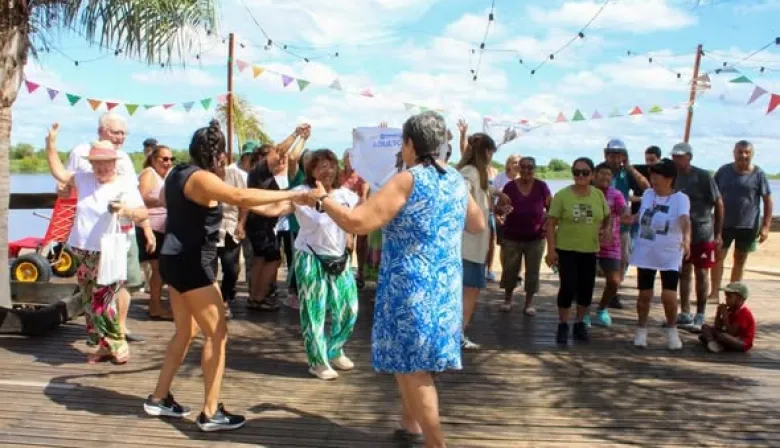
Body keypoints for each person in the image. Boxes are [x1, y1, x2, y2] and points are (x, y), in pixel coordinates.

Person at [309, 111, 485, 448]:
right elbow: (476, 225)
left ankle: (437, 444)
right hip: (445, 286)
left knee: (414, 367)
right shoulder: (455, 180)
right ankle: (410, 424)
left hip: (411, 287)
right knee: (410, 361)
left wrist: (323, 201)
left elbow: (358, 222)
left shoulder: (408, 179)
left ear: (409, 144)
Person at [143, 120, 307, 432]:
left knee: (185, 331)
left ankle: (159, 397)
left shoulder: (177, 173)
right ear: (217, 155)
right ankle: (210, 412)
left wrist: (288, 204)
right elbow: (240, 197)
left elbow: (170, 203)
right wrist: (296, 195)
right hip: (193, 266)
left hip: (173, 261)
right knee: (217, 336)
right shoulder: (202, 178)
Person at [45, 124, 152, 364]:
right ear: (91, 163)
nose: (102, 167)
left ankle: (117, 342)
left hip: (110, 251)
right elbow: (59, 173)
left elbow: (143, 212)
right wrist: (50, 144)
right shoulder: (84, 178)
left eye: (106, 163)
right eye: (97, 163)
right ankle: (104, 346)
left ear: (115, 163)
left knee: (102, 300)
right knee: (88, 298)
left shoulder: (125, 183)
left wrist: (125, 210)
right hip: (82, 249)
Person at [256, 149, 360, 380]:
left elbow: (354, 223)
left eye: (331, 165)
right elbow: (277, 208)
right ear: (311, 170)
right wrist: (248, 204)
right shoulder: (301, 193)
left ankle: (334, 349)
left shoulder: (346, 195)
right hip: (311, 256)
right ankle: (318, 361)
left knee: (349, 310)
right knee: (314, 312)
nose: (328, 170)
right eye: (321, 165)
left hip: (339, 259)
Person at [63, 111, 147, 343]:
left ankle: (118, 331)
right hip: (89, 241)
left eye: (124, 133)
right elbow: (64, 184)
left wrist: (144, 225)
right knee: (95, 292)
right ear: (101, 130)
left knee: (123, 283)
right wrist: (51, 146)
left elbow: (137, 201)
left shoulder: (125, 160)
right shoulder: (80, 153)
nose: (121, 137)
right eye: (116, 132)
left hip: (122, 235)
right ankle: (105, 336)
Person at [546, 157, 610, 345]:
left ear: (592, 175)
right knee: (568, 287)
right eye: (576, 172)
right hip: (566, 249)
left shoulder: (598, 195)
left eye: (585, 172)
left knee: (586, 289)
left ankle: (580, 323)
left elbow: (607, 216)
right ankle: (563, 324)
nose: (580, 176)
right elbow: (551, 224)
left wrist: (606, 229)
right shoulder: (562, 195)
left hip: (589, 249)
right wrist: (551, 250)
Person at [245, 125, 309, 311]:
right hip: (261, 223)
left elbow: (291, 157)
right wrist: (295, 134)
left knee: (260, 259)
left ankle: (254, 296)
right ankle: (259, 297)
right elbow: (281, 151)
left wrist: (303, 139)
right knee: (273, 259)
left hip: (260, 223)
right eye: (275, 158)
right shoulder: (259, 171)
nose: (279, 160)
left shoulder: (263, 175)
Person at [629, 159, 690, 349]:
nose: (653, 180)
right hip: (646, 250)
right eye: (652, 176)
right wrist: (626, 219)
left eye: (658, 176)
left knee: (669, 295)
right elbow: (640, 217)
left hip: (669, 252)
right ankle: (641, 330)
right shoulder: (648, 195)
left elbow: (685, 219)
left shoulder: (680, 198)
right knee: (644, 293)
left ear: (670, 178)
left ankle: (672, 331)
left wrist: (687, 238)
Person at [710, 140, 772, 298]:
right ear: (734, 153)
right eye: (740, 152)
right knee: (718, 257)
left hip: (748, 225)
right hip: (724, 223)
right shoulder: (723, 171)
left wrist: (766, 226)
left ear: (752, 154)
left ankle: (733, 294)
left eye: (747, 152)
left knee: (740, 259)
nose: (743, 156)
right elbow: (711, 196)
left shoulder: (758, 174)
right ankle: (714, 293)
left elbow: (767, 200)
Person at [671, 142, 723, 331]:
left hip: (702, 231)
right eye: (674, 156)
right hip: (681, 232)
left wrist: (718, 233)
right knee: (684, 272)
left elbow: (719, 203)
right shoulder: (673, 176)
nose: (677, 160)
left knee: (702, 273)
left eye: (680, 156)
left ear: (689, 157)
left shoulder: (703, 176)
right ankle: (685, 312)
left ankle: (700, 314)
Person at [457, 132, 498, 350]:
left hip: (474, 246)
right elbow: (462, 194)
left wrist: (497, 192)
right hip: (468, 245)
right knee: (470, 289)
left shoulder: (476, 173)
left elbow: (483, 189)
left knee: (468, 290)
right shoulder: (470, 172)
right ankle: (457, 334)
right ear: (486, 152)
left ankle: (457, 332)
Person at [499, 156, 550, 315]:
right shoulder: (509, 186)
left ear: (535, 169)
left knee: (533, 271)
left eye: (530, 167)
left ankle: (528, 304)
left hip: (536, 237)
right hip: (512, 236)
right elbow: (497, 208)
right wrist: (502, 209)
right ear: (518, 169)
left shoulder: (542, 186)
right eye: (523, 167)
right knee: (510, 270)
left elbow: (551, 208)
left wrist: (547, 222)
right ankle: (508, 299)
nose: (527, 170)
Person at [603, 139, 650, 309]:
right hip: (599, 222)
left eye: (619, 155)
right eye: (611, 155)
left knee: (623, 258)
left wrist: (629, 167)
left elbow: (646, 186)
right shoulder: (600, 170)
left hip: (620, 223)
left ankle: (614, 292)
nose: (615, 159)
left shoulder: (627, 172)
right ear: (605, 154)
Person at [137, 144, 174, 320]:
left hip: (161, 227)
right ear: (153, 159)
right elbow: (141, 198)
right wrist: (163, 202)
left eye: (171, 159)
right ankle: (155, 307)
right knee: (158, 269)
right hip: (149, 227)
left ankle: (156, 304)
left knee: (160, 269)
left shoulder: (163, 176)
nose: (168, 162)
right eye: (164, 159)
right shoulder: (149, 174)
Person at [591, 162, 629, 327]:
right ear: (594, 175)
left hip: (610, 244)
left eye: (608, 174)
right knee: (584, 282)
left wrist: (626, 214)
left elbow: (623, 210)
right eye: (602, 173)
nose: (605, 177)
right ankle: (583, 314)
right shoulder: (587, 193)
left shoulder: (616, 194)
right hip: (588, 243)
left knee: (614, 281)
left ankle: (602, 309)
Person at [340, 148, 370, 289]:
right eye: (348, 157)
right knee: (347, 244)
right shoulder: (339, 175)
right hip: (344, 213)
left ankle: (361, 273)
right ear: (344, 159)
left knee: (361, 245)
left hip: (360, 212)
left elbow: (364, 195)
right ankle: (346, 272)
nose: (351, 161)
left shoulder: (362, 176)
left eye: (353, 158)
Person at [699, 282, 755, 353]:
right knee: (705, 327)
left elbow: (732, 332)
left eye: (729, 296)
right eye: (726, 296)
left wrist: (725, 316)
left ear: (739, 299)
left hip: (742, 342)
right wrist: (718, 313)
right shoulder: (731, 310)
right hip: (729, 336)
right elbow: (718, 327)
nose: (726, 299)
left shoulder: (744, 313)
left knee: (723, 336)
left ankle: (714, 341)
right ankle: (712, 342)